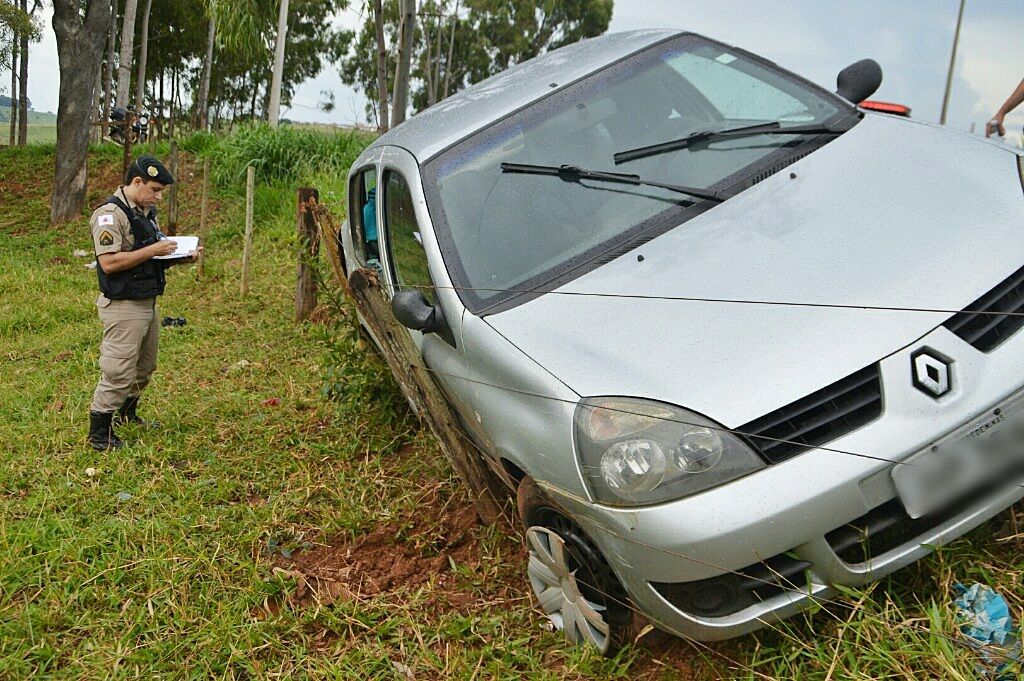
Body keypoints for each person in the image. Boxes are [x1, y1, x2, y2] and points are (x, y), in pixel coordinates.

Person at [86, 156, 202, 451]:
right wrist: (153, 250)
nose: (158, 197)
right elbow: (110, 263)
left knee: (145, 366)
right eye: (154, 190)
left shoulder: (145, 213)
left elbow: (150, 259)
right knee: (118, 369)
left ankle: (127, 414)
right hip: (124, 304)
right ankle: (99, 433)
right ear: (137, 182)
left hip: (146, 302)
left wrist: (178, 257)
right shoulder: (110, 215)